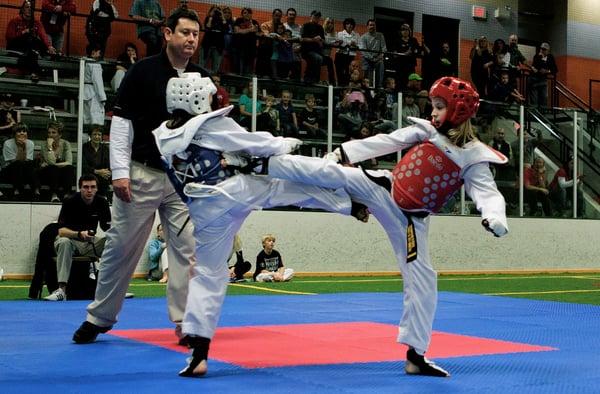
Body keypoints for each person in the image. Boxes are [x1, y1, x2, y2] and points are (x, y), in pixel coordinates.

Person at [266, 76, 509, 377]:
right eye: (432, 106)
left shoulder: (474, 156)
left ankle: (416, 355)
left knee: (424, 279)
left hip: (411, 220)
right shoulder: (426, 131)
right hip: (384, 188)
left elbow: (487, 192)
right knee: (334, 174)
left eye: (439, 106)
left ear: (458, 110)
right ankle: (265, 164)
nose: (432, 112)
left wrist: (494, 216)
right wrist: (344, 154)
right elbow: (387, 141)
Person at [150, 73, 361, 377]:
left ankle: (198, 351)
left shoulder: (162, 135)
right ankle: (350, 203)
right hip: (232, 192)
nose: (212, 101)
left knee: (208, 274)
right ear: (195, 97)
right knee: (282, 187)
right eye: (208, 97)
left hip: (202, 209)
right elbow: (253, 143)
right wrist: (283, 144)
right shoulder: (209, 124)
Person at [71, 8, 207, 346]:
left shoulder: (202, 79)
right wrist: (119, 172)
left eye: (196, 33)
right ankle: (99, 317)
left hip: (182, 178)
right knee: (121, 248)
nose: (191, 39)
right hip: (141, 172)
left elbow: (205, 132)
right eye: (185, 32)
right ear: (167, 33)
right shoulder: (141, 72)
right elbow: (121, 123)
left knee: (187, 250)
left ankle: (186, 324)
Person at [45, 174, 111, 301]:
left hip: (90, 243)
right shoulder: (69, 201)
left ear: (97, 188)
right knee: (63, 241)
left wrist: (120, 234)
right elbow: (61, 231)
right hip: (71, 241)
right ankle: (61, 290)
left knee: (115, 242)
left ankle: (114, 289)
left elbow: (107, 227)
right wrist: (79, 234)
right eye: (86, 187)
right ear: (80, 188)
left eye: (93, 187)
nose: (89, 190)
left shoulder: (102, 202)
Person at [6, 0, 56, 81]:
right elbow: (9, 37)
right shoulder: (14, 21)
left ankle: (35, 72)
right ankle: (39, 70)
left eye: (31, 8)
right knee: (30, 39)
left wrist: (49, 46)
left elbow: (43, 35)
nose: (29, 9)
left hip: (29, 49)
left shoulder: (36, 22)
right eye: (27, 7)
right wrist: (23, 32)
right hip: (15, 47)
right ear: (22, 9)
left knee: (33, 48)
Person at [39, 121, 75, 202]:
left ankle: (67, 195)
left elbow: (69, 162)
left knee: (69, 168)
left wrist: (55, 164)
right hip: (48, 174)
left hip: (62, 173)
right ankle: (54, 195)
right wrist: (49, 147)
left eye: (53, 132)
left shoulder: (66, 144)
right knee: (53, 169)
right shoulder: (44, 145)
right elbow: (51, 162)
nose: (50, 135)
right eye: (49, 132)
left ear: (60, 134)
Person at [1, 122, 39, 200]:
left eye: (24, 131)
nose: (22, 133)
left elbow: (26, 161)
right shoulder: (7, 143)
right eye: (19, 131)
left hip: (25, 170)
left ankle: (36, 191)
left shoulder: (30, 143)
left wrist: (24, 146)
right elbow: (13, 162)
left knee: (29, 165)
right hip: (9, 171)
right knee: (18, 164)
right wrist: (20, 147)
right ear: (14, 134)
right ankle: (17, 191)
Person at [82, 125, 110, 198]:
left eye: (99, 135)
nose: (97, 137)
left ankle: (103, 198)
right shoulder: (84, 147)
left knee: (105, 177)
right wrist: (97, 171)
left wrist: (104, 172)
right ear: (90, 136)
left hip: (103, 175)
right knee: (94, 178)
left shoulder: (105, 148)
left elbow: (108, 165)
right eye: (94, 134)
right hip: (88, 174)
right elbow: (84, 166)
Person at [83, 44, 106, 126]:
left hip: (85, 92)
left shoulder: (83, 62)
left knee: (86, 119)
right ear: (93, 52)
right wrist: (102, 97)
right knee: (96, 120)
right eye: (99, 52)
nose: (100, 54)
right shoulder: (95, 64)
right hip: (94, 94)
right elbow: (98, 82)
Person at [358, 19, 386, 88]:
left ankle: (379, 87)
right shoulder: (363, 37)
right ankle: (365, 87)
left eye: (373, 25)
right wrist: (372, 58)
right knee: (365, 66)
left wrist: (379, 57)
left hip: (377, 59)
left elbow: (384, 49)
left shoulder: (380, 35)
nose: (372, 26)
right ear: (367, 26)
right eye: (370, 25)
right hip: (367, 59)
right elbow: (363, 51)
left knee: (381, 63)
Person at [529, 42, 558, 107]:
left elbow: (555, 70)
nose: (542, 51)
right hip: (534, 80)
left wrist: (547, 71)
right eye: (541, 49)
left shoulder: (550, 57)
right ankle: (534, 115)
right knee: (534, 100)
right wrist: (540, 58)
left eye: (544, 49)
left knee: (544, 99)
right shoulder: (537, 56)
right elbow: (535, 67)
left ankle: (542, 114)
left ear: (548, 51)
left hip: (543, 80)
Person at [232, 8, 259, 76]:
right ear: (242, 14)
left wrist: (256, 31)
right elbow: (237, 31)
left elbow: (259, 33)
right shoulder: (239, 20)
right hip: (239, 49)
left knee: (248, 71)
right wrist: (250, 30)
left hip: (251, 50)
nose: (247, 14)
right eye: (245, 13)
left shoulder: (254, 22)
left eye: (249, 13)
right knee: (238, 70)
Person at [300, 10, 325, 85]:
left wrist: (320, 41)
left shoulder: (320, 28)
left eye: (318, 17)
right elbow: (302, 39)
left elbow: (323, 39)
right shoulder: (306, 25)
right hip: (306, 50)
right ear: (311, 16)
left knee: (319, 58)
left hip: (317, 51)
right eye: (315, 16)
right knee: (316, 58)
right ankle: (307, 77)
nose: (316, 18)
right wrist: (314, 40)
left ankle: (315, 79)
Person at [335, 18, 360, 87]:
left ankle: (346, 89)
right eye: (348, 24)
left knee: (348, 74)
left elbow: (360, 46)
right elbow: (339, 43)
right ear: (345, 25)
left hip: (351, 57)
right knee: (340, 73)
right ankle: (340, 88)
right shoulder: (340, 33)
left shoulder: (357, 35)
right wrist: (349, 43)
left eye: (351, 24)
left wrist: (355, 45)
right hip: (340, 55)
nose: (349, 25)